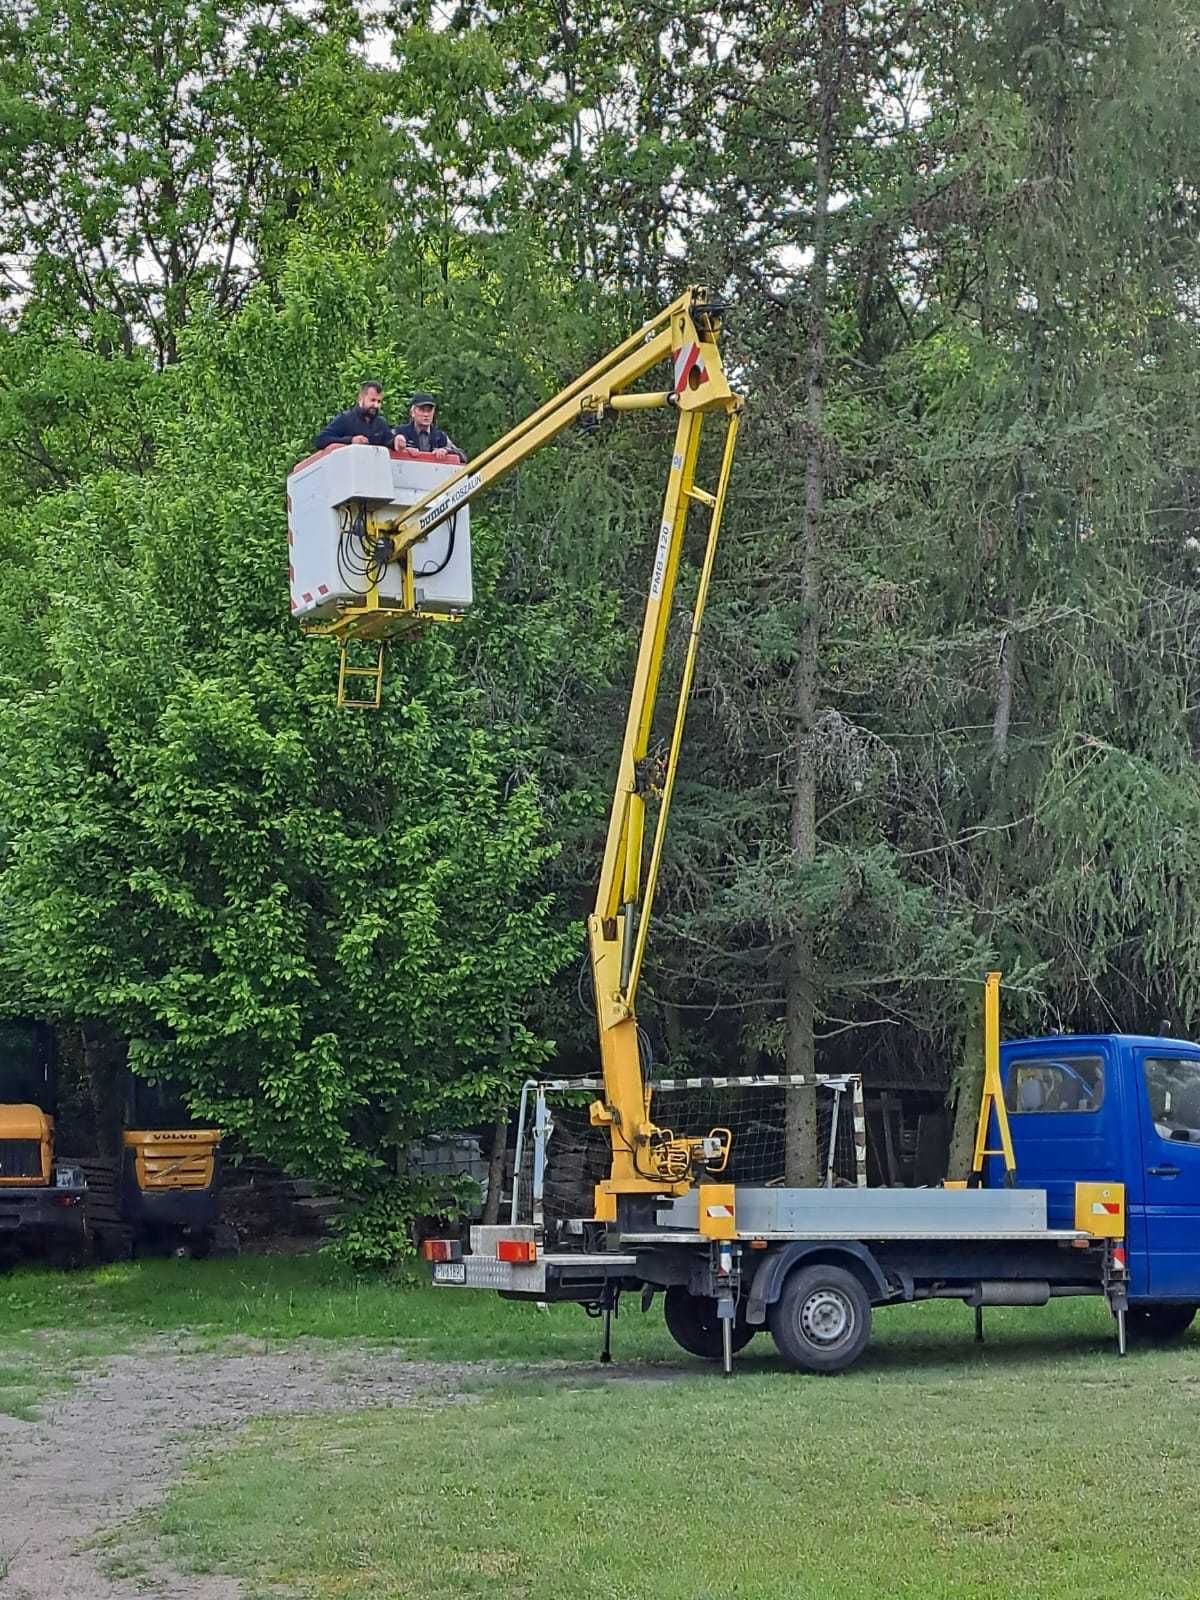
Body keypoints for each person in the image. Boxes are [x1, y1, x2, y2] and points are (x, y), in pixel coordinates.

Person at [313, 382, 397, 450]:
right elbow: (321, 440)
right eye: (372, 400)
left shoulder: (380, 423)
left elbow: (388, 442)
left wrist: (396, 441)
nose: (376, 405)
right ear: (361, 399)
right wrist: (351, 440)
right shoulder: (345, 419)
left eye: (379, 402)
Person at [394, 392, 467, 461]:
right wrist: (404, 450)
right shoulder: (400, 432)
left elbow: (463, 456)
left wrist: (446, 450)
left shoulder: (440, 437)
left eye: (429, 411)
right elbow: (385, 447)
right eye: (422, 410)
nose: (426, 414)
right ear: (412, 413)